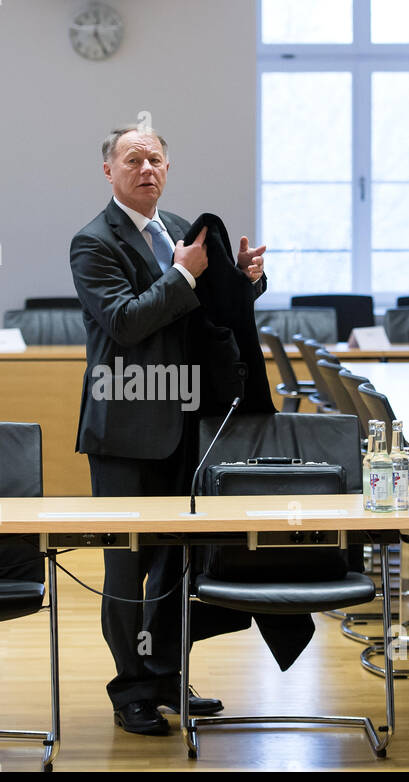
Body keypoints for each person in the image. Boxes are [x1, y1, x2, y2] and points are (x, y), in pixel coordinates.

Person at [69, 125, 267, 735]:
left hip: (189, 423)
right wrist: (182, 275)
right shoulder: (92, 241)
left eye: (155, 158)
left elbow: (203, 318)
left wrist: (243, 283)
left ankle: (166, 678)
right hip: (125, 427)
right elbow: (127, 324)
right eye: (133, 159)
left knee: (178, 564)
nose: (146, 167)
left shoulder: (181, 227)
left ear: (168, 166)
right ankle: (131, 691)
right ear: (109, 171)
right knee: (128, 567)